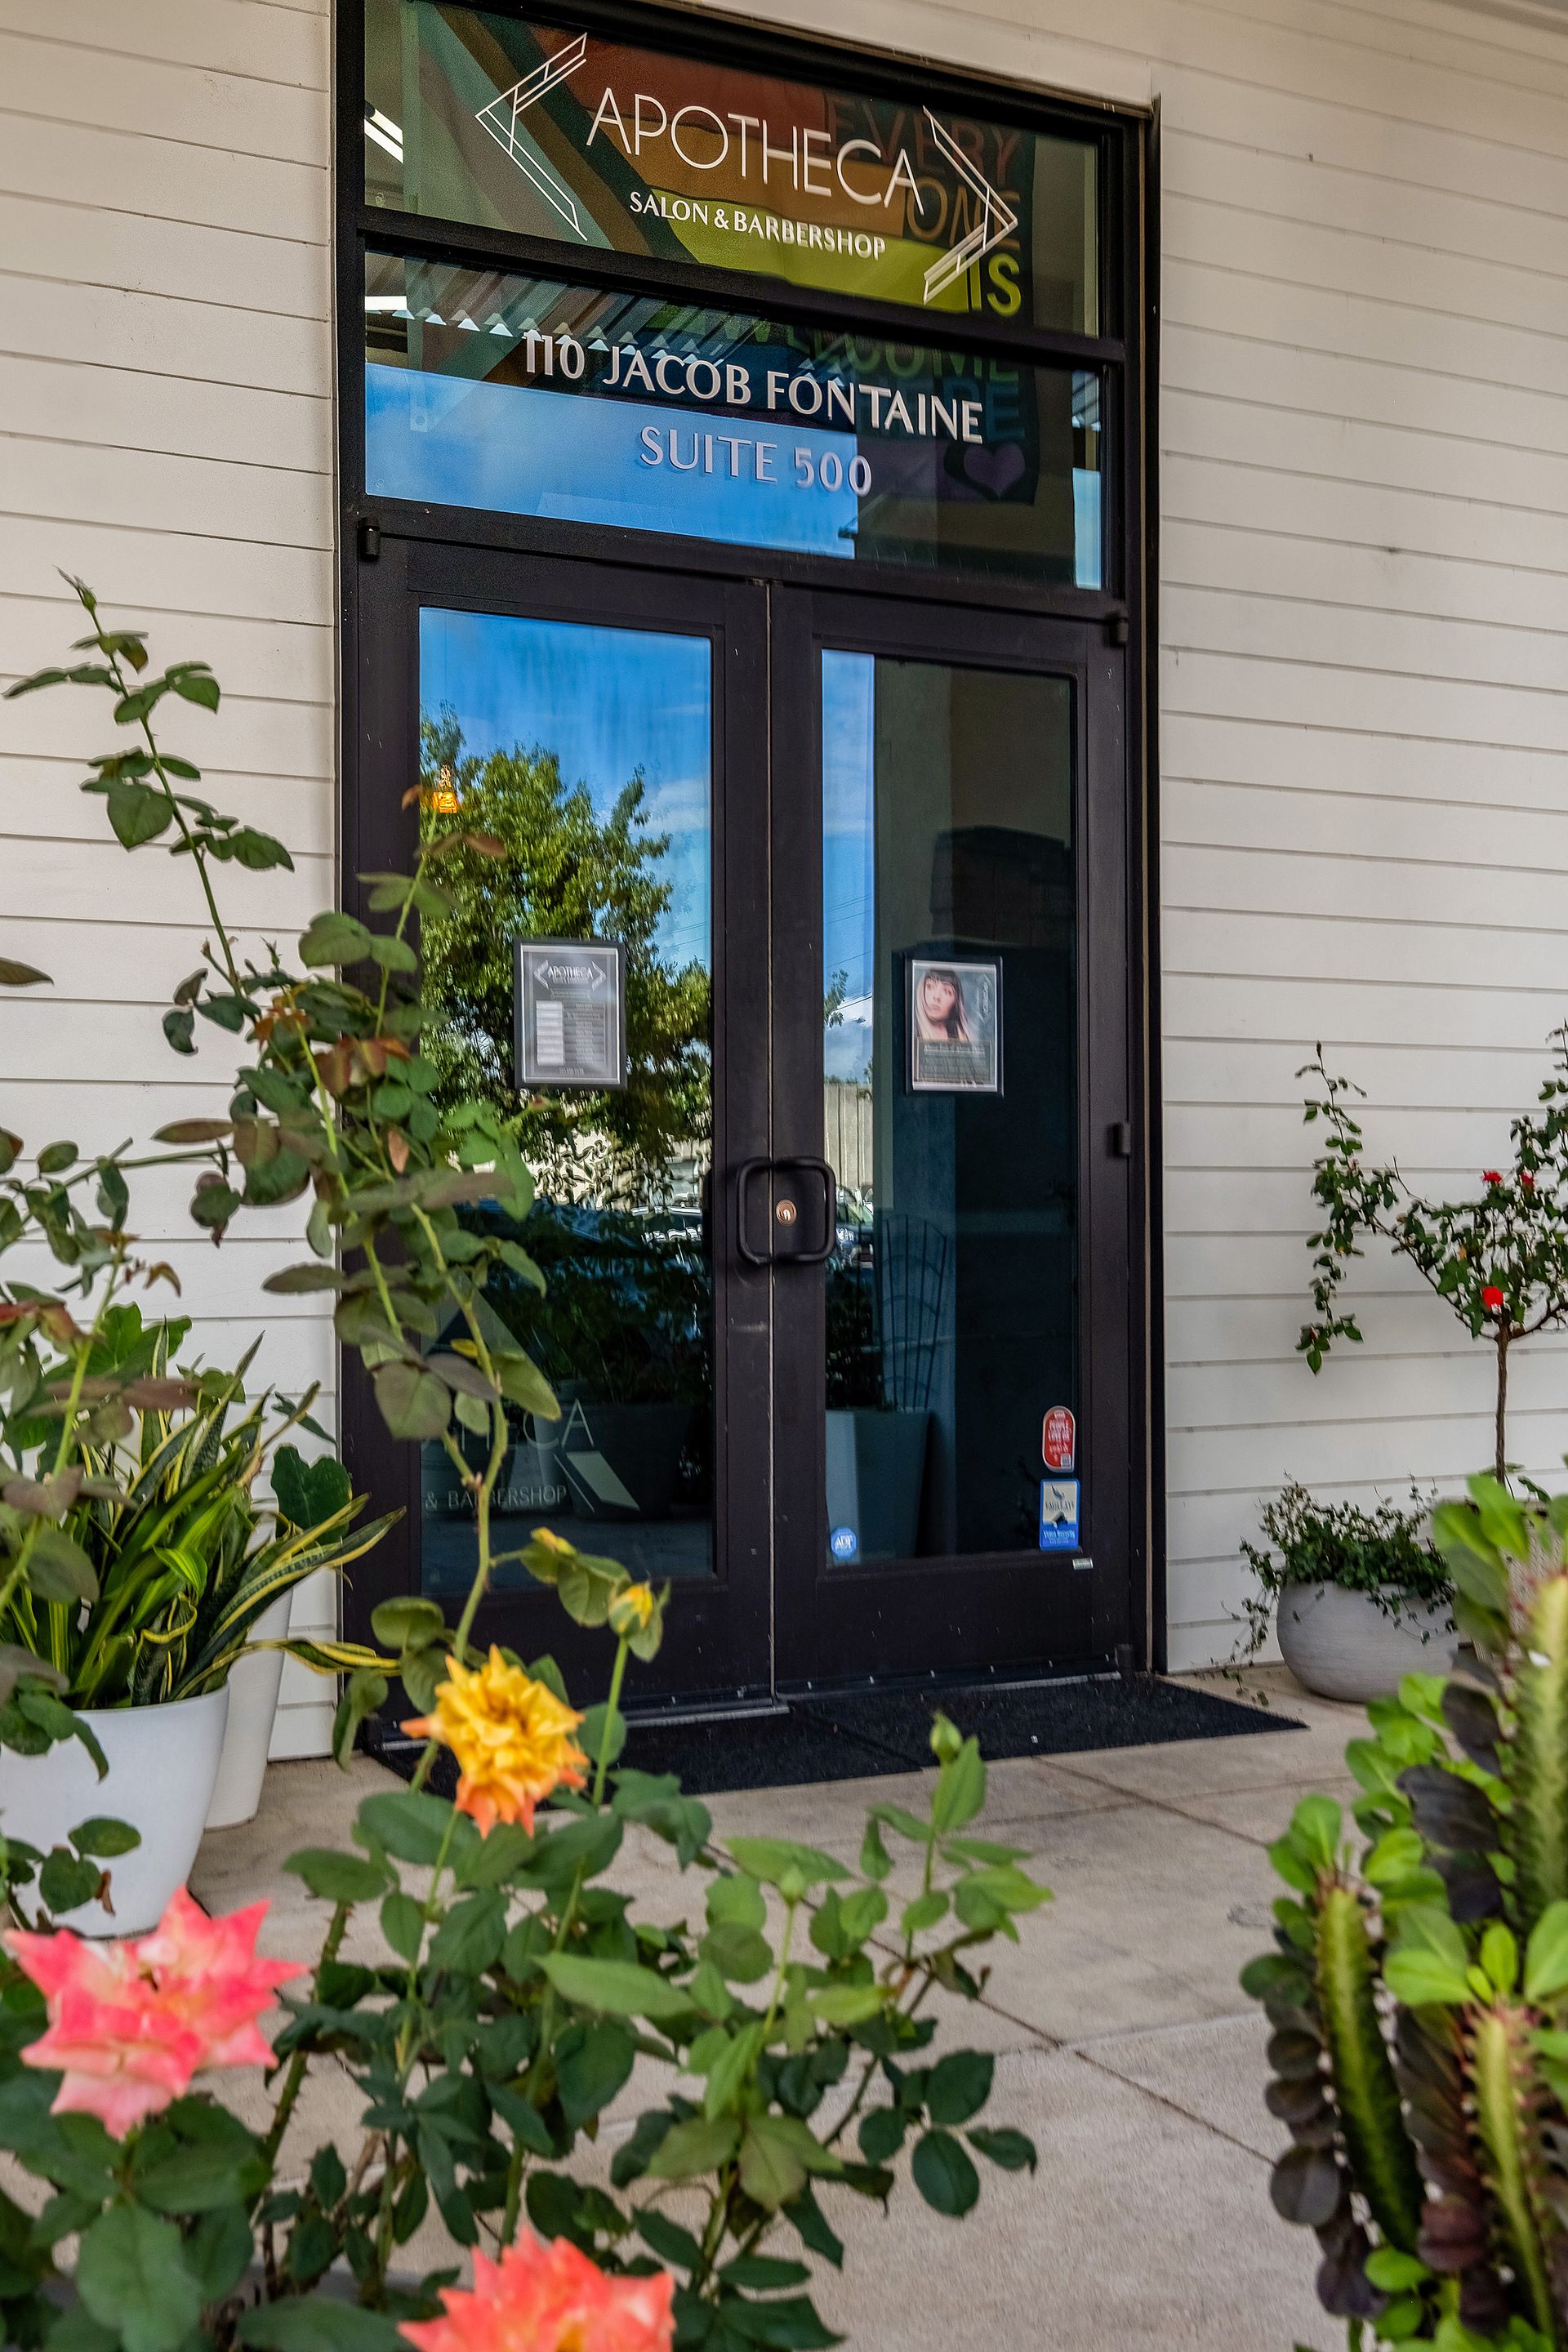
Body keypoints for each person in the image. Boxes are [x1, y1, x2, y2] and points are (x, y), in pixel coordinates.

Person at [915, 964, 970, 1043]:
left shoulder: (963, 1041)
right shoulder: (911, 1039)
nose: (937, 997)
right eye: (930, 987)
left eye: (947, 991)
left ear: (956, 1002)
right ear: (921, 991)